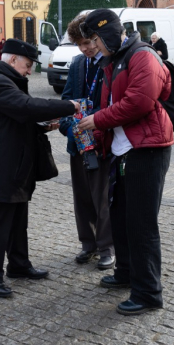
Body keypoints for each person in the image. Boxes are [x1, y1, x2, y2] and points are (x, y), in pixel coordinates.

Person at [78, 9, 174, 316]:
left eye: (94, 39)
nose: (92, 46)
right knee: (120, 216)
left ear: (106, 34)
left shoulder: (141, 55)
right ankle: (126, 273)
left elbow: (139, 101)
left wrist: (97, 121)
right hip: (124, 150)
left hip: (147, 149)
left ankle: (148, 293)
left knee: (141, 223)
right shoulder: (115, 59)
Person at [0, 38, 80, 298]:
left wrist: (45, 125)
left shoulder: (8, 81)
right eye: (27, 65)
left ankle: (19, 265)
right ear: (12, 60)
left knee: (18, 220)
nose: (29, 71)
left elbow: (18, 119)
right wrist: (69, 105)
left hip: (16, 164)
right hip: (2, 167)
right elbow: (26, 107)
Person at [59, 14, 115, 270]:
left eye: (88, 42)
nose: (85, 48)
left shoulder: (111, 62)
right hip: (78, 142)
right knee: (81, 196)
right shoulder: (78, 64)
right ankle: (88, 244)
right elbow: (66, 99)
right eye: (80, 44)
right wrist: (68, 127)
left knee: (102, 197)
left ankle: (107, 247)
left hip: (103, 141)